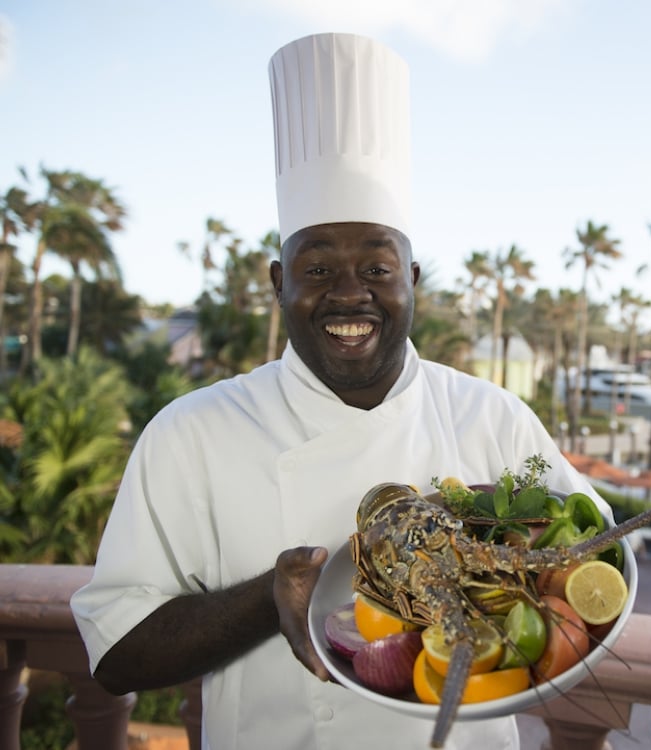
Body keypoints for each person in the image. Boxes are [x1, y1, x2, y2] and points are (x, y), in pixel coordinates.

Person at [70, 32, 602, 750]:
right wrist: (268, 599)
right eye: (316, 269)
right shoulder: (192, 432)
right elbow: (116, 655)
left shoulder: (493, 416)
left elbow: (596, 564)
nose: (350, 295)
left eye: (378, 268)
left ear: (411, 282)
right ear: (276, 283)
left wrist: (509, 536)